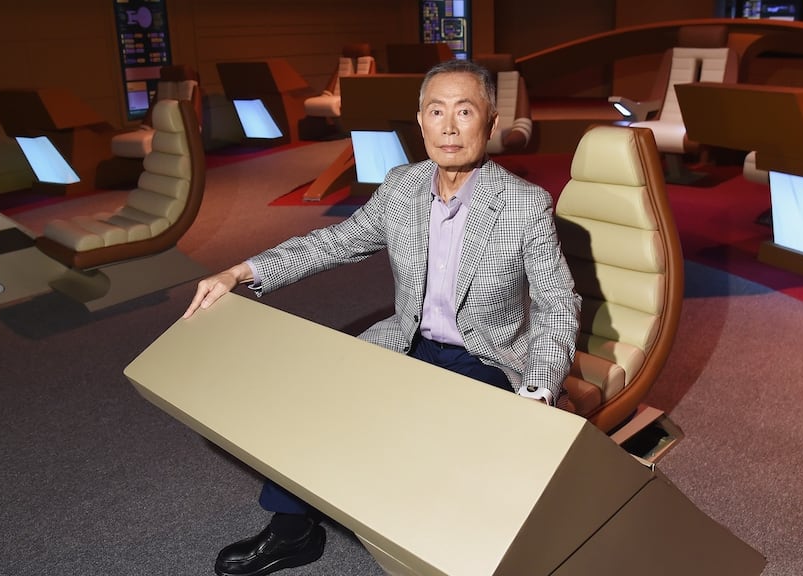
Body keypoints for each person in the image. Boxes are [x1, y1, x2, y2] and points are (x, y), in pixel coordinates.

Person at [183, 58, 581, 576]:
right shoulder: (401, 187)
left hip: (484, 357)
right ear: (420, 121)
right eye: (437, 112)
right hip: (406, 341)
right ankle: (291, 530)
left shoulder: (523, 204)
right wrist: (242, 270)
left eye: (465, 111)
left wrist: (541, 387)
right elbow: (335, 242)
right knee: (315, 392)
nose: (450, 127)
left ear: (490, 119)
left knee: (443, 444)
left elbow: (556, 302)